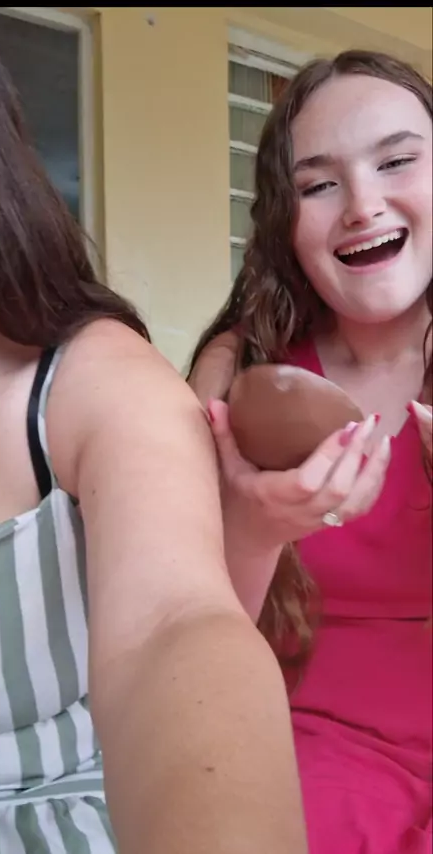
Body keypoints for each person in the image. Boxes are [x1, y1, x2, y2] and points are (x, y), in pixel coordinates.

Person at [0, 9, 309, 853]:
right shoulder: (234, 350)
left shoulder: (94, 377)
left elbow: (177, 625)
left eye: (399, 161)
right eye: (319, 182)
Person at [188, 49, 432, 854]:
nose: (363, 204)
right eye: (319, 185)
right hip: (313, 748)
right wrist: (258, 528)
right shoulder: (243, 372)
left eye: (396, 161)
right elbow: (181, 634)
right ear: (283, 224)